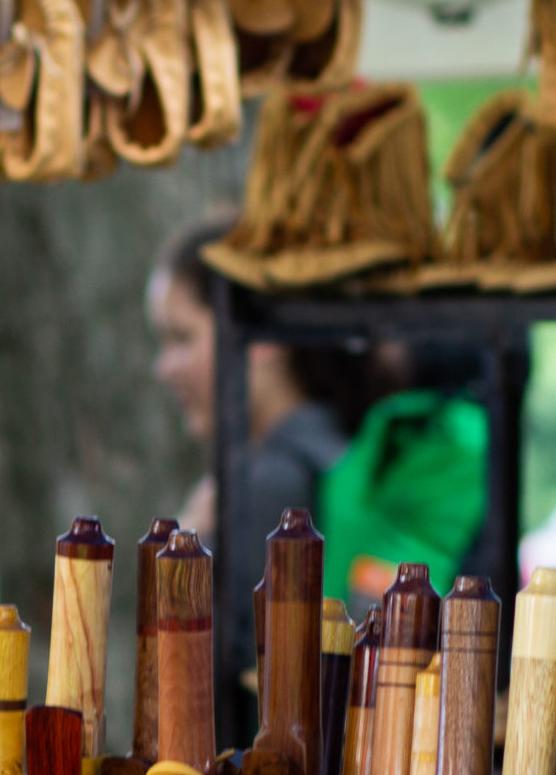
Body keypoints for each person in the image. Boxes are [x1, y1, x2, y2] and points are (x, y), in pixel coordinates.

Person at [148, 216, 386, 611]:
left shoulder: (271, 484)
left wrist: (191, 542)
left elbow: (206, 659)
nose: (164, 367)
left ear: (260, 339)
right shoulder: (338, 452)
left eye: (181, 338)